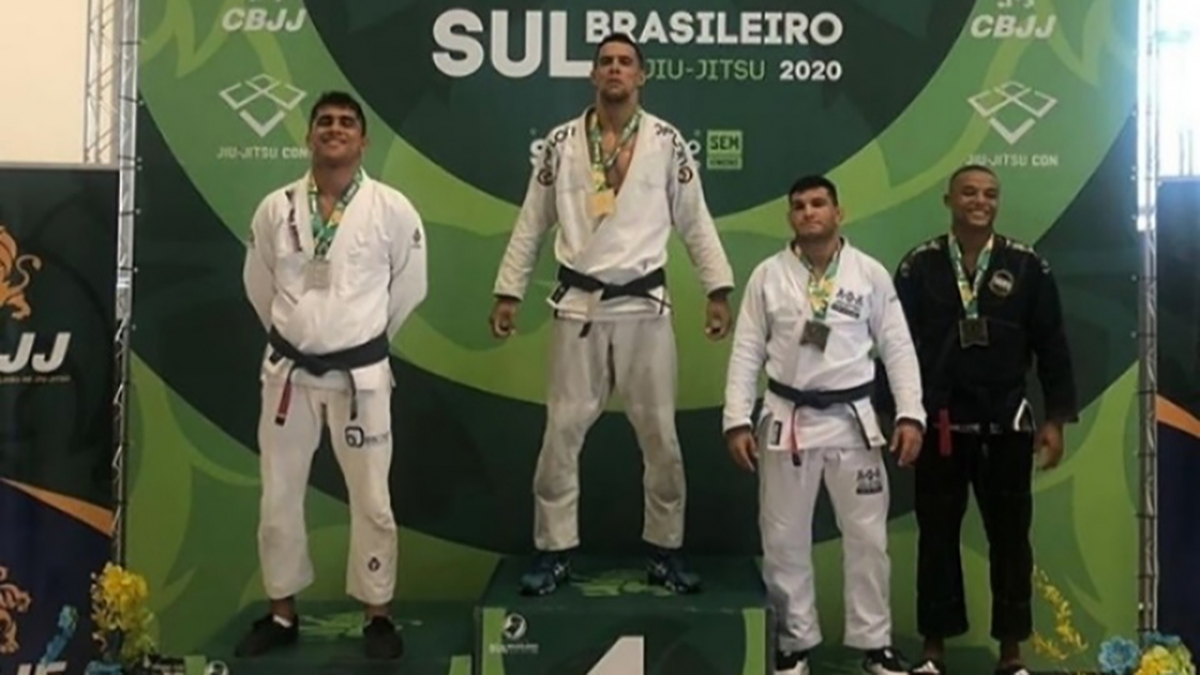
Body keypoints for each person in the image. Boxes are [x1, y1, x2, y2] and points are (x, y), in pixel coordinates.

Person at [488, 32, 736, 596]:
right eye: (606, 62)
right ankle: (554, 550)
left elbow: (695, 219)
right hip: (578, 305)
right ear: (594, 75)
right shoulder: (560, 143)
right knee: (561, 432)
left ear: (641, 76)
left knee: (660, 435)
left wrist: (717, 289)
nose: (616, 69)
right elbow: (532, 220)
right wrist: (508, 292)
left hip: (645, 307)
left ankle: (665, 550)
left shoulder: (667, 141)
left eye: (626, 62)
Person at [236, 91, 427, 660]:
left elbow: (410, 288)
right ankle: (281, 611)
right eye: (324, 122)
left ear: (364, 140)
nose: (335, 129)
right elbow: (259, 285)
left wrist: (358, 340)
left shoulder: (391, 208)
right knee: (279, 495)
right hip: (289, 374)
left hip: (360, 377)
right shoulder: (276, 208)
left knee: (372, 498)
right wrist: (300, 334)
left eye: (347, 122)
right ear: (309, 137)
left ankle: (377, 614)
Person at [722, 175, 925, 675]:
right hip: (786, 419)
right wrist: (736, 420)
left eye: (818, 203)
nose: (809, 212)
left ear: (839, 212)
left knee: (868, 539)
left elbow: (897, 346)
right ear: (790, 217)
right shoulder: (768, 276)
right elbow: (746, 350)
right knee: (784, 538)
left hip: (853, 422)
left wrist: (910, 414)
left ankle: (875, 644)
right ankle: (793, 645)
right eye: (799, 206)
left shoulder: (868, 273)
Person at [894, 165, 1077, 675]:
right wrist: (900, 414)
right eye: (970, 192)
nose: (980, 201)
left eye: (990, 194)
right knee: (936, 537)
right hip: (940, 422)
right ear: (948, 200)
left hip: (1006, 422)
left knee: (1011, 540)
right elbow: (895, 343)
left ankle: (1011, 653)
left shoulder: (1027, 265)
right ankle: (934, 649)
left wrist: (1055, 418)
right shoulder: (919, 265)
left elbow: (1052, 344)